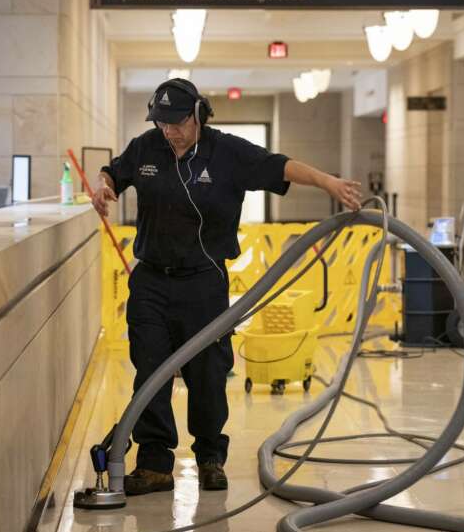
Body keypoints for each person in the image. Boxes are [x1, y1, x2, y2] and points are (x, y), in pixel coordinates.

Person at [94, 78, 361, 496]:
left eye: (177, 122)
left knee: (207, 372)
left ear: (199, 115)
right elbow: (114, 171)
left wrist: (328, 182)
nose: (169, 131)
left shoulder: (227, 152)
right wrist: (103, 185)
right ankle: (154, 464)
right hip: (150, 280)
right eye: (161, 123)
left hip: (203, 281)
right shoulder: (146, 147)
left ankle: (209, 458)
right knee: (150, 370)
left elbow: (280, 166)